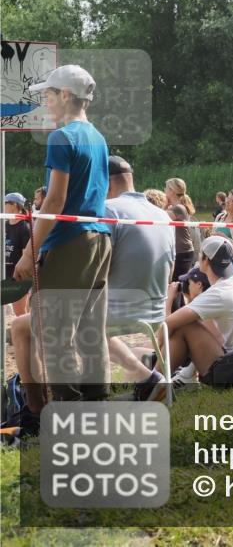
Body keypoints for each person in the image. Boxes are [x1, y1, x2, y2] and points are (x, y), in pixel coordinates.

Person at [12, 65, 111, 429]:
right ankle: (97, 406)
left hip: (70, 241)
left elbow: (55, 200)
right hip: (99, 240)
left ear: (66, 95)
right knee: (91, 330)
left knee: (53, 331)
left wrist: (29, 252)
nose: (46, 102)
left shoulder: (61, 137)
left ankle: (69, 413)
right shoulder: (98, 137)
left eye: (49, 95)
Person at [98, 156, 176, 398]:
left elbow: (97, 270)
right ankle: (146, 378)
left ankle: (144, 379)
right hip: (155, 314)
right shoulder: (163, 215)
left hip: (119, 313)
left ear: (106, 182)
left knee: (64, 321)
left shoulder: (108, 210)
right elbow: (171, 269)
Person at [155, 236, 233, 385]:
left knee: (185, 325)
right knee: (195, 323)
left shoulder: (219, 292)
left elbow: (168, 323)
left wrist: (159, 349)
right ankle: (183, 376)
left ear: (205, 260)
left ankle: (152, 384)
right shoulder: (232, 284)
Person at [4, 193, 32, 316]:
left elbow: (26, 255)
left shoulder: (24, 228)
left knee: (19, 312)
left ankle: (31, 328)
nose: (2, 206)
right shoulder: (4, 225)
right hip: (5, 272)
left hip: (18, 274)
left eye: (5, 203)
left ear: (14, 205)